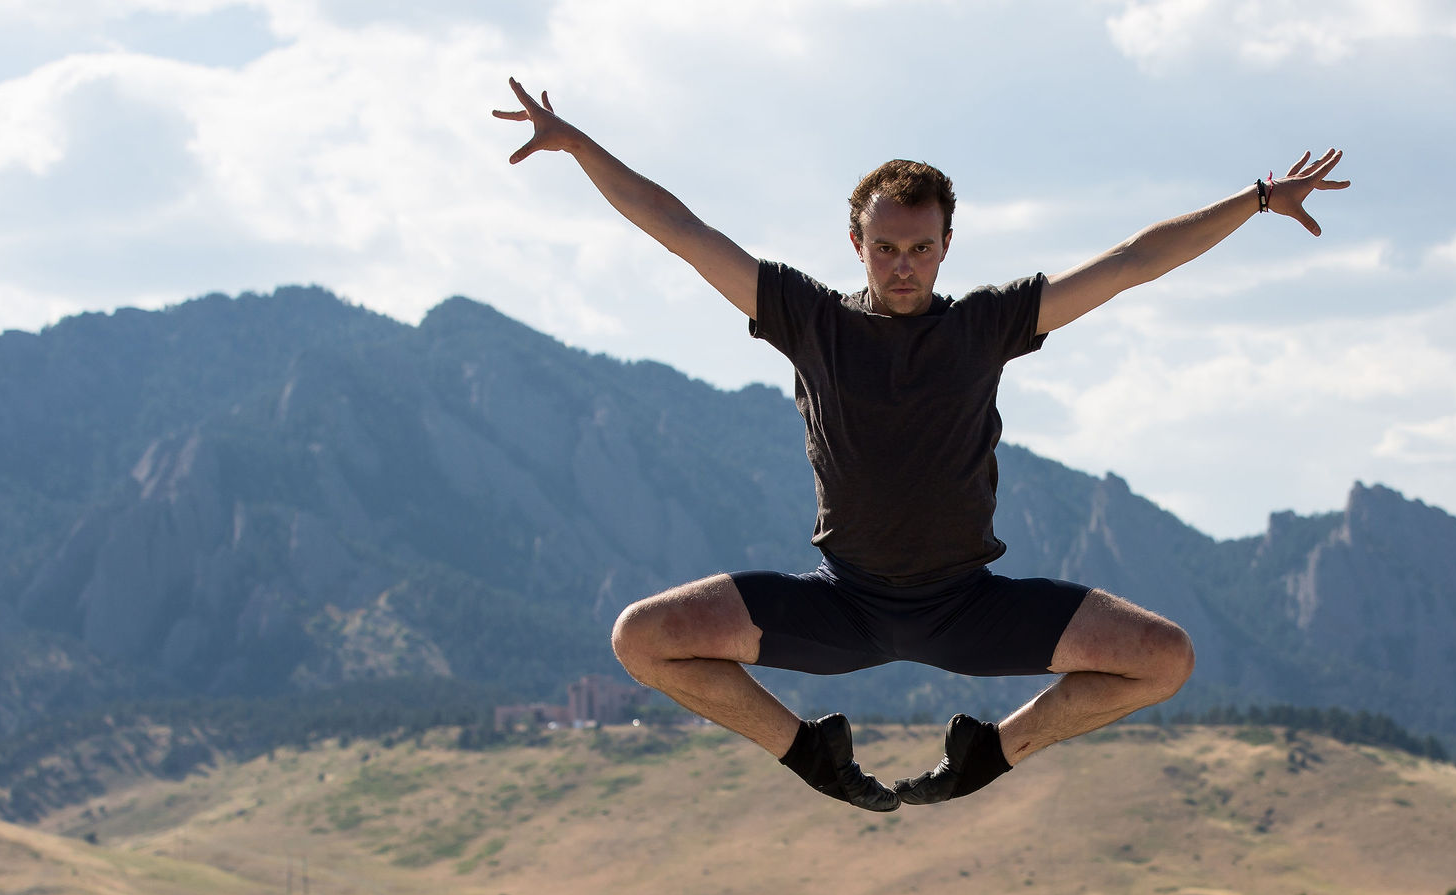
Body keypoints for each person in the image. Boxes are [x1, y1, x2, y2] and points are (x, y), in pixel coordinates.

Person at [495, 78, 1348, 811]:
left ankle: (990, 754)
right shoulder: (808, 318)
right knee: (640, 638)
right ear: (857, 245)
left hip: (966, 606)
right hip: (842, 606)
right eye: (887, 248)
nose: (904, 266)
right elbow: (680, 229)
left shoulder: (987, 324)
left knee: (1167, 659)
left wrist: (1260, 198)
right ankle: (810, 754)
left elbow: (1133, 260)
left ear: (946, 247)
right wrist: (575, 144)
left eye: (922, 248)